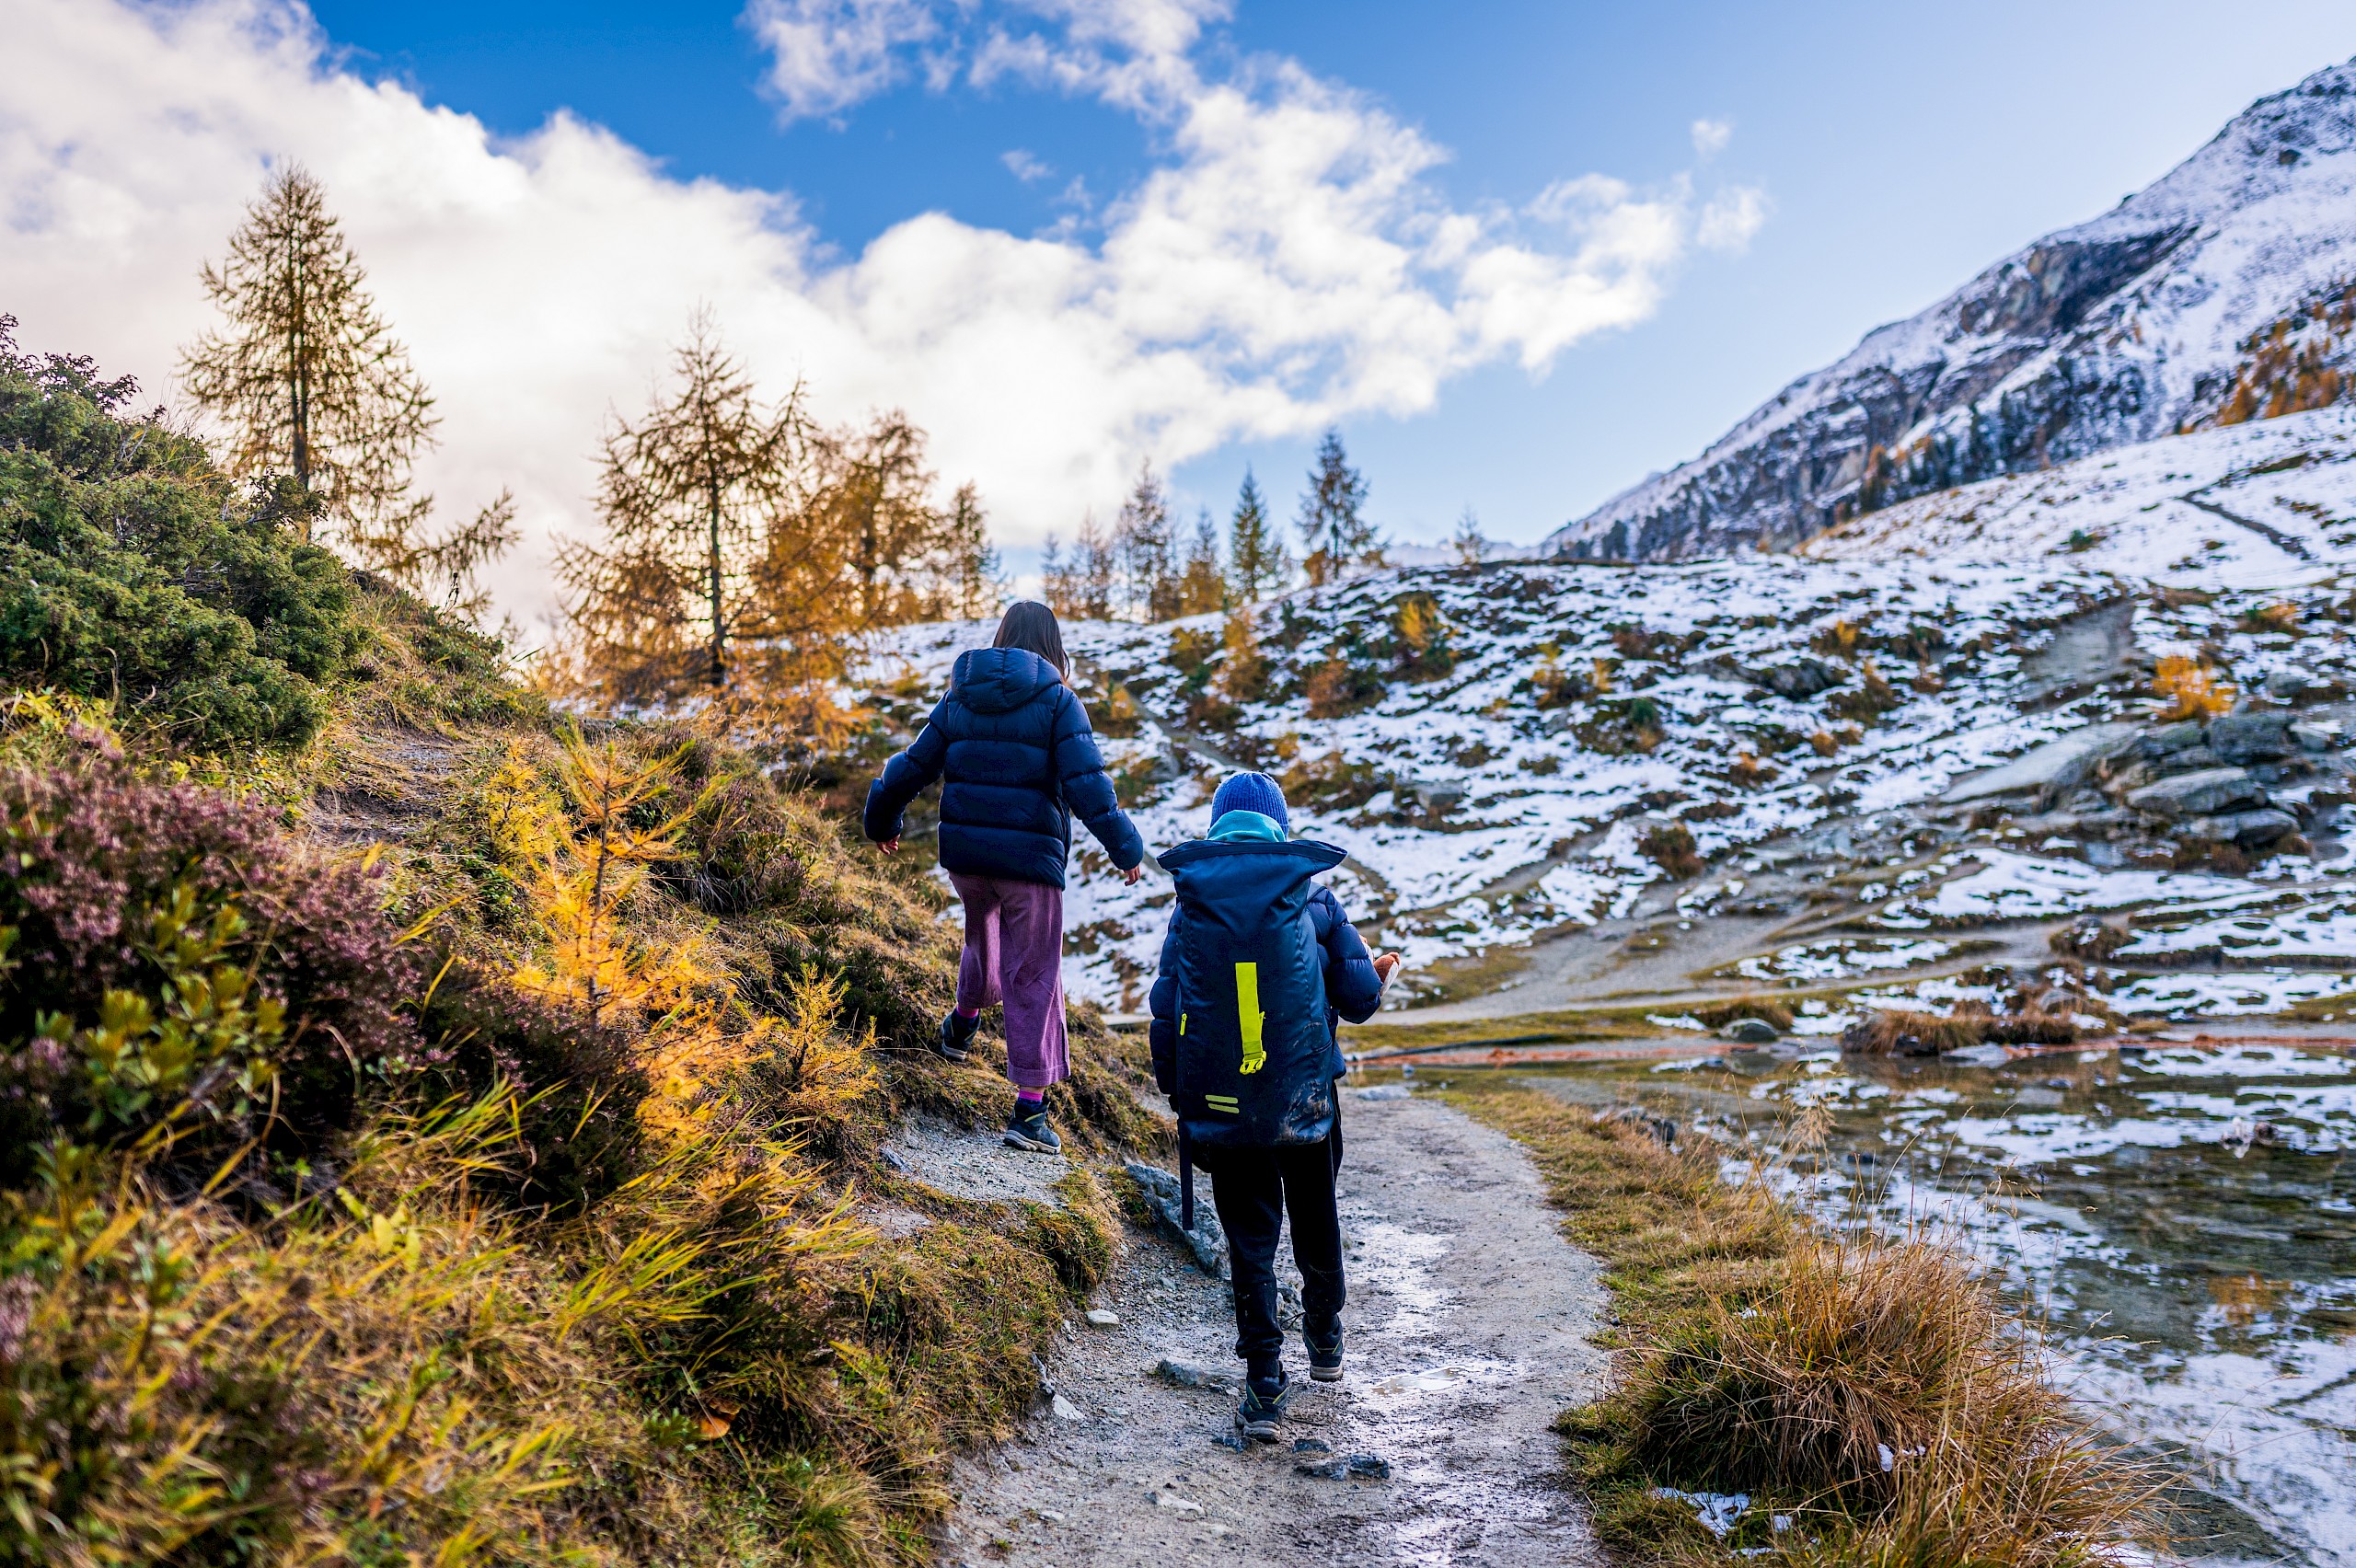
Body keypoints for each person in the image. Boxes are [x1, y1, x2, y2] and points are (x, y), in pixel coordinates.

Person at [1147, 771, 1398, 1440]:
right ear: (1279, 829)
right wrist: (1377, 972)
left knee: (1249, 1240)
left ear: (1220, 827)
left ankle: (1262, 1381)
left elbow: (1167, 1004)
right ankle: (1325, 1336)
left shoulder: (1192, 905)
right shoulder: (1313, 898)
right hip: (1306, 1099)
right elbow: (1360, 1001)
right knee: (1317, 1217)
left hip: (1226, 1103)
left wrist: (1180, 1090)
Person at [864, 602, 1147, 1154]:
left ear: (1002, 638)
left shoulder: (961, 695)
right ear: (1052, 645)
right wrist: (1126, 847)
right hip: (1030, 862)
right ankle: (1030, 1111)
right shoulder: (1059, 700)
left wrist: (882, 815)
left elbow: (915, 763)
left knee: (981, 933)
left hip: (968, 857)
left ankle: (963, 1023)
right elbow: (1088, 784)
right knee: (1034, 972)